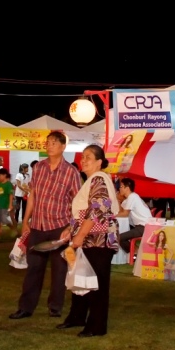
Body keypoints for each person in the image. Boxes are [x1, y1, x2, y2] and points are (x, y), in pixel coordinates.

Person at [11, 131, 83, 320]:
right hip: (38, 225)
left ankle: (55, 306)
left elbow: (78, 202)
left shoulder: (71, 172)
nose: (49, 146)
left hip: (59, 226)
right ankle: (26, 307)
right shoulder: (39, 167)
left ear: (63, 147)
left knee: (59, 269)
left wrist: (71, 227)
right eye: (48, 142)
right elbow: (32, 195)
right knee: (33, 268)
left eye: (54, 143)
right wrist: (26, 221)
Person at [55, 144, 120, 337]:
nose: (83, 160)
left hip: (97, 240)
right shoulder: (92, 180)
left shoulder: (99, 179)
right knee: (81, 277)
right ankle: (77, 316)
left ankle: (96, 325)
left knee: (96, 283)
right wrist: (71, 229)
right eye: (82, 157)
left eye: (88, 157)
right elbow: (83, 213)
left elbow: (97, 209)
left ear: (99, 162)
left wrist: (80, 235)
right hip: (88, 239)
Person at [116, 178, 151, 254]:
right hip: (140, 226)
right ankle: (136, 253)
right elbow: (121, 211)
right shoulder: (129, 199)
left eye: (121, 187)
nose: (119, 189)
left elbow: (125, 214)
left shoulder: (132, 196)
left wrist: (112, 216)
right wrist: (118, 200)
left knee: (118, 237)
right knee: (119, 236)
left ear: (127, 188)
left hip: (144, 227)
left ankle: (135, 253)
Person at [0, 167, 14, 240]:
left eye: (0, 175)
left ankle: (12, 227)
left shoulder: (8, 184)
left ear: (5, 175)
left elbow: (11, 195)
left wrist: (10, 204)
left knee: (4, 219)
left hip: (5, 205)